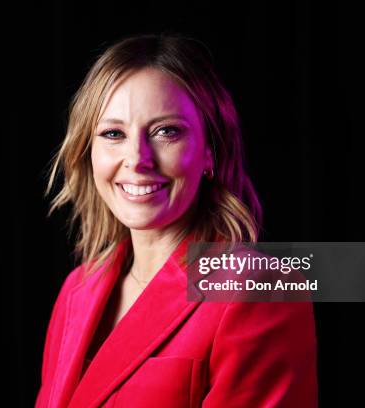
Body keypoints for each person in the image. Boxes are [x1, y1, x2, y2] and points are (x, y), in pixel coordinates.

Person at [37, 33, 317, 407]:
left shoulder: (257, 287)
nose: (137, 158)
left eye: (166, 131)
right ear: (89, 153)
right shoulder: (77, 289)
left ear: (210, 151)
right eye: (113, 134)